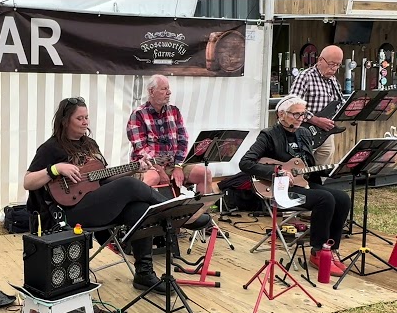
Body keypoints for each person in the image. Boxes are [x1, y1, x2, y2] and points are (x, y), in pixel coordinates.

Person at [23, 96, 173, 295]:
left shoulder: (90, 144)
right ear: (65, 121)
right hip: (70, 213)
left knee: (141, 209)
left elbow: (103, 180)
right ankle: (175, 208)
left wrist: (135, 168)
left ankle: (144, 273)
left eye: (87, 117)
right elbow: (28, 182)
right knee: (129, 186)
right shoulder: (51, 148)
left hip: (96, 204)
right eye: (80, 118)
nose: (85, 122)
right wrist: (55, 169)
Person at [239, 94, 351, 276]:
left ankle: (330, 249)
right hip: (281, 187)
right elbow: (246, 163)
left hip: (303, 182)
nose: (300, 119)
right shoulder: (269, 135)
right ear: (281, 114)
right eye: (295, 114)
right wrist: (277, 171)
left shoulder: (304, 133)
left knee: (343, 198)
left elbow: (308, 166)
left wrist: (336, 169)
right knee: (325, 199)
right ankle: (317, 251)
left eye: (303, 115)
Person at [127, 74, 213, 194]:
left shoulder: (174, 111)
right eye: (164, 89)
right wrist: (160, 171)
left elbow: (183, 140)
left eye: (168, 88)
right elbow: (140, 148)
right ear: (151, 91)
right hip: (148, 165)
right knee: (153, 178)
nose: (169, 92)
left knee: (205, 173)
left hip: (172, 163)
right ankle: (135, 208)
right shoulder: (138, 114)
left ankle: (202, 212)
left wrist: (178, 166)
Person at [288, 44, 346, 166]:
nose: (334, 68)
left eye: (338, 65)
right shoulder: (305, 77)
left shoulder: (333, 80)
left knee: (322, 168)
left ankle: (318, 184)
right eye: (331, 64)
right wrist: (316, 120)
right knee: (301, 167)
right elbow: (293, 104)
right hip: (304, 131)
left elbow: (339, 103)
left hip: (326, 133)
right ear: (320, 60)